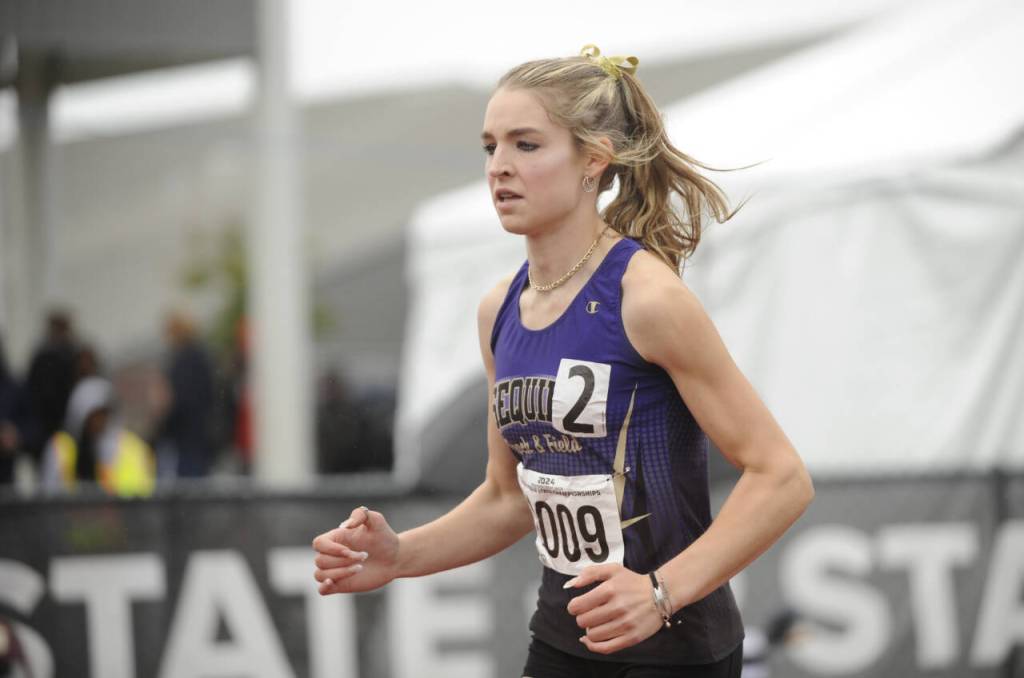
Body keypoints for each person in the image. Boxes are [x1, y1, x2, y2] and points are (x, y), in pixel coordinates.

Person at [312, 45, 814, 677]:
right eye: (490, 146)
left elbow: (782, 476)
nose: (499, 167)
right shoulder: (499, 312)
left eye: (526, 145)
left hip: (675, 649)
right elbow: (506, 497)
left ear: (593, 160)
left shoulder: (647, 298)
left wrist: (659, 591)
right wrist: (399, 555)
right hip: (563, 641)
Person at [41, 376, 155, 497]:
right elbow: (49, 495)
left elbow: (143, 497)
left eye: (103, 415)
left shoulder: (134, 449)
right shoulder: (61, 447)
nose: (98, 422)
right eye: (93, 416)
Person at [156, 310, 215, 478]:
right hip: (198, 437)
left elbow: (181, 401)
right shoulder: (201, 357)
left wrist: (163, 424)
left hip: (186, 439)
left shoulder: (185, 361)